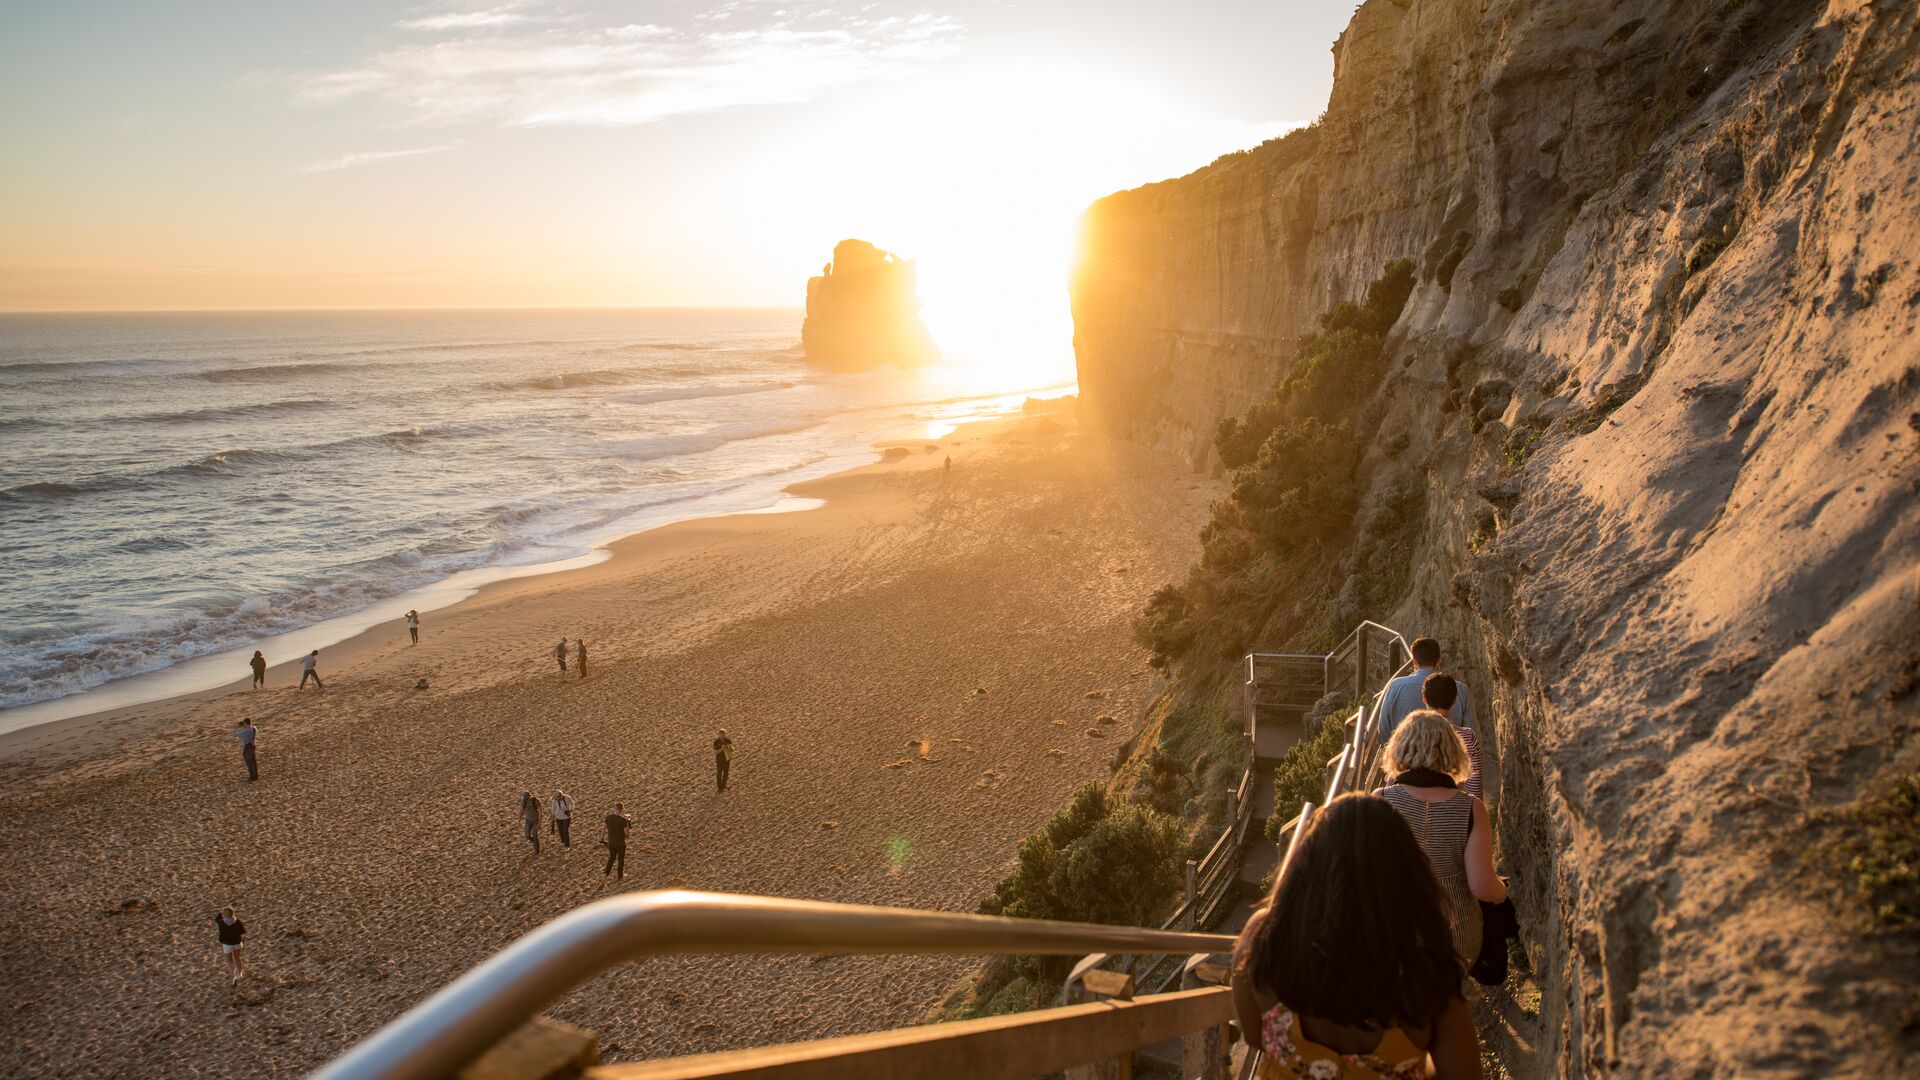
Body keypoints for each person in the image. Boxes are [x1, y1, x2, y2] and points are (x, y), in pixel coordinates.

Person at [1232, 794, 1479, 1079]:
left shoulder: (1263, 936)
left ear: (1307, 865)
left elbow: (1252, 1035)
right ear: (1405, 876)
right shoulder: (1424, 973)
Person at [1376, 711, 1508, 963]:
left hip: (1394, 932)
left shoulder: (1381, 801)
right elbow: (1481, 887)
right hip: (1455, 936)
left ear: (1400, 748)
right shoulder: (1471, 808)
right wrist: (1502, 891)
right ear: (1453, 751)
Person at [1378, 637, 1473, 742]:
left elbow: (1384, 732)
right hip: (1449, 756)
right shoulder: (1462, 690)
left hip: (1404, 755)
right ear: (1439, 659)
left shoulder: (1395, 686)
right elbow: (1471, 733)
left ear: (1414, 661)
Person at [1421, 672, 1483, 798]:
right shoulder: (1468, 738)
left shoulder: (1412, 737)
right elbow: (1475, 790)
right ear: (1454, 700)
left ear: (1424, 699)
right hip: (1455, 812)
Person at [215, 906, 247, 986]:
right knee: (237, 958)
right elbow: (242, 931)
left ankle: (234, 977)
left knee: (229, 961)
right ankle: (240, 973)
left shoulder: (221, 923)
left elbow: (217, 921)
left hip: (227, 944)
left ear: (225, 914)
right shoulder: (238, 922)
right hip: (237, 943)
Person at [603, 802, 633, 880]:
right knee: (620, 860)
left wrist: (602, 838)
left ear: (615, 808)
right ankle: (620, 876)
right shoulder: (623, 820)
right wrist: (629, 824)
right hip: (620, 843)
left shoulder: (608, 818)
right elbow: (627, 834)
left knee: (611, 859)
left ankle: (605, 875)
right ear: (622, 809)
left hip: (611, 843)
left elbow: (604, 829)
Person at [518, 790, 543, 855]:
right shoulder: (523, 802)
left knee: (535, 834)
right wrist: (519, 820)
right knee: (527, 836)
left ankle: (537, 850)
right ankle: (535, 842)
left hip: (535, 820)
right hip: (528, 820)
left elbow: (540, 812)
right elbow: (521, 811)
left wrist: (540, 822)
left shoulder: (535, 801)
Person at [714, 729, 735, 793]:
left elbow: (732, 750)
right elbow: (716, 752)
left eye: (723, 735)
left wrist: (728, 747)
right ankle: (719, 787)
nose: (722, 736)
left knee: (726, 773)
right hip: (719, 760)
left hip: (727, 759)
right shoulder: (716, 742)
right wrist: (722, 749)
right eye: (721, 735)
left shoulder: (728, 740)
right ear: (719, 735)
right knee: (719, 773)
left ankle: (723, 785)